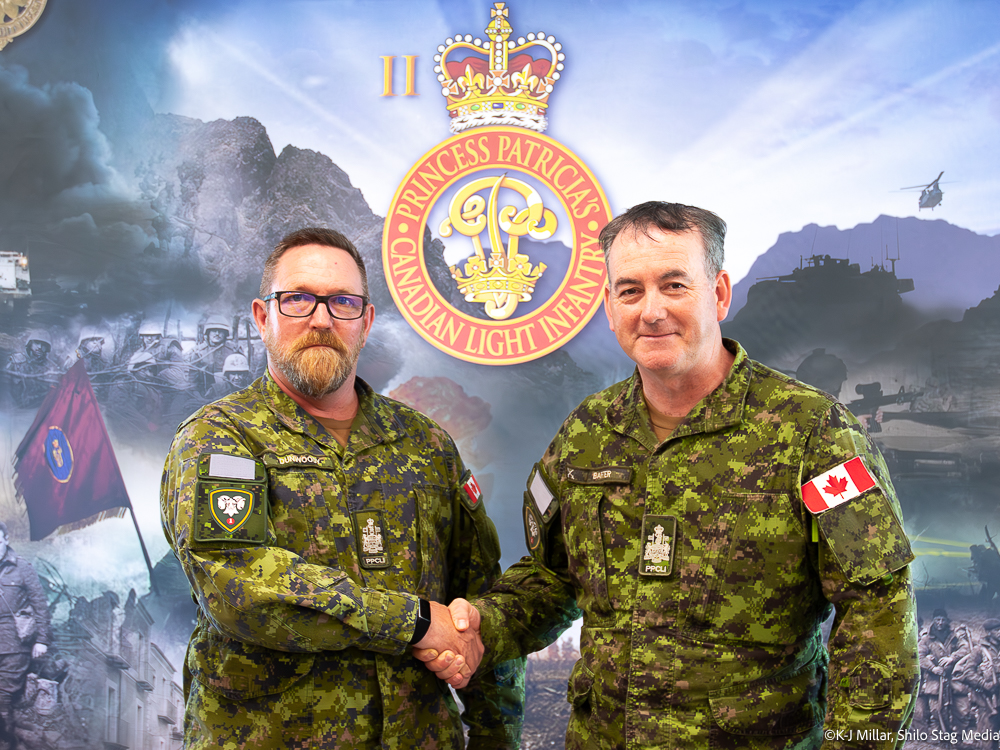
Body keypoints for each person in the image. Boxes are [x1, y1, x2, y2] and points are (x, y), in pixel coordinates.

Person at [418, 202, 919, 748]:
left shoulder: (811, 432)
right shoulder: (586, 433)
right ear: (610, 307)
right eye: (630, 290)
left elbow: (878, 618)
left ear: (720, 294)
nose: (651, 310)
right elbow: (552, 579)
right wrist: (479, 625)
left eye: (674, 285)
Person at [160, 227, 523, 749]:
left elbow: (479, 604)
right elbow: (240, 588)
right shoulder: (222, 440)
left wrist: (497, 735)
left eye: (343, 302)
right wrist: (415, 622)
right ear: (263, 318)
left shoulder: (426, 445)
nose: (322, 318)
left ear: (366, 321)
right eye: (298, 299)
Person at [0, 522, 52, 747]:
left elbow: (40, 604)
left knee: (3, 698)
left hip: (14, 645)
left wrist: (42, 640)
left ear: (6, 540)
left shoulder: (23, 568)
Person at [918, 608, 968, 732]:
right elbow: (919, 656)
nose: (940, 623)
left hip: (953, 679)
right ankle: (938, 737)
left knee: (960, 710)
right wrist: (933, 668)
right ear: (933, 620)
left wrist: (952, 657)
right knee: (936, 711)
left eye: (942, 620)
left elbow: (966, 649)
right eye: (937, 619)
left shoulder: (954, 636)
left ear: (946, 620)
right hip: (934, 682)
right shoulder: (926, 639)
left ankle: (957, 736)